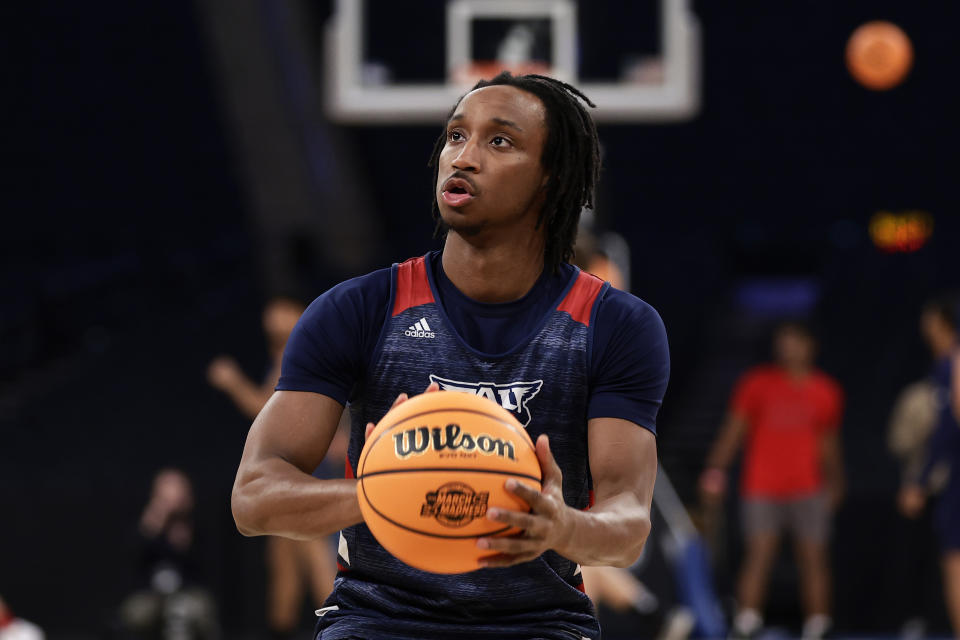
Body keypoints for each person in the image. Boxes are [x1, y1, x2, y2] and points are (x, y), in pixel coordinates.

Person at [231, 72, 670, 639]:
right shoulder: (359, 309)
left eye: (500, 141)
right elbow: (253, 497)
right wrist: (385, 492)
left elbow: (629, 524)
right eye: (455, 136)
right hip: (376, 621)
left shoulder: (617, 325)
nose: (462, 157)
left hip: (539, 624)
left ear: (551, 178)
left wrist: (563, 527)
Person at [208, 297, 343, 639]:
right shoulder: (285, 355)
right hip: (293, 475)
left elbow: (267, 408)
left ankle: (339, 629)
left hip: (311, 476)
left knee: (316, 557)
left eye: (284, 312)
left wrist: (232, 381)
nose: (274, 318)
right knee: (284, 567)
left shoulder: (305, 352)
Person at [699, 321, 844, 640]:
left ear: (811, 346)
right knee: (759, 553)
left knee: (813, 557)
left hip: (808, 486)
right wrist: (715, 469)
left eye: (795, 341)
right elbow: (733, 430)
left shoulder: (825, 390)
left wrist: (836, 482)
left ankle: (818, 625)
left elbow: (829, 443)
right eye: (783, 341)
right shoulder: (756, 384)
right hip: (762, 486)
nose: (788, 347)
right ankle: (748, 621)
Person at [899, 296, 960, 634]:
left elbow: (949, 428)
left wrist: (919, 480)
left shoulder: (951, 363)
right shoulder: (944, 366)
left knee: (956, 563)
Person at [118, 469, 219, 639]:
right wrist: (155, 519)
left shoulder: (196, 526)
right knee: (139, 613)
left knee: (185, 611)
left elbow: (203, 568)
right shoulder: (147, 527)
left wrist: (183, 539)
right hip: (149, 595)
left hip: (188, 594)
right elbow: (134, 557)